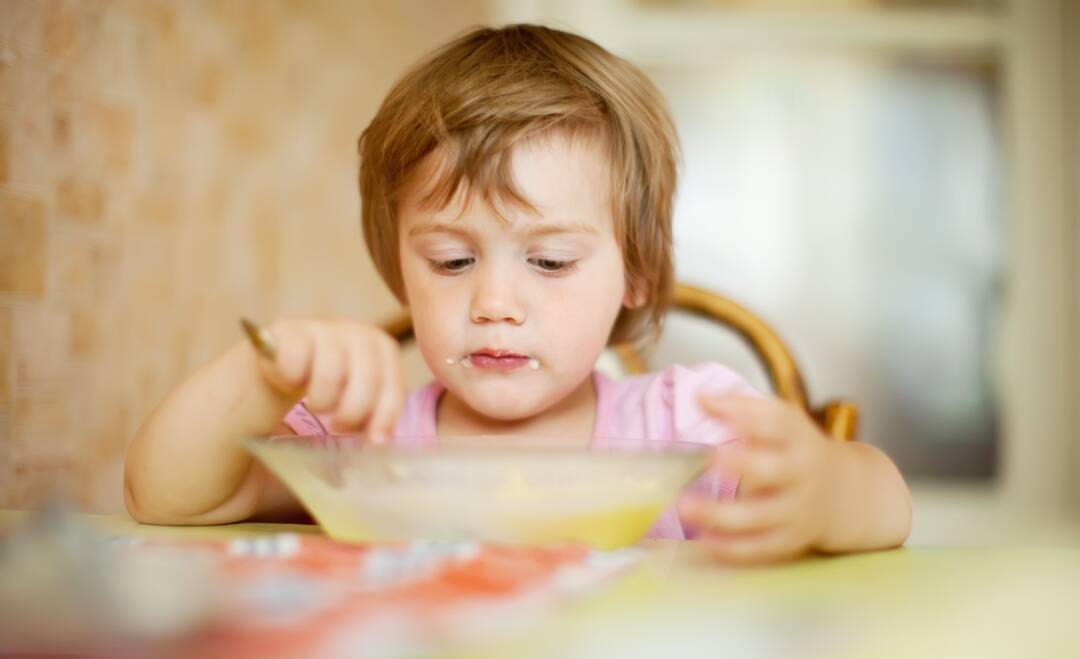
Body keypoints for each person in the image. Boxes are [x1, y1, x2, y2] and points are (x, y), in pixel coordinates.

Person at [124, 24, 911, 563]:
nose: (494, 303)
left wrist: (830, 492)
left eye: (552, 262)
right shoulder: (361, 451)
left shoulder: (685, 431)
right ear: (401, 266)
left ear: (634, 267)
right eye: (452, 262)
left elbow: (888, 501)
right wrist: (262, 375)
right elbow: (168, 499)